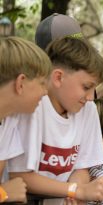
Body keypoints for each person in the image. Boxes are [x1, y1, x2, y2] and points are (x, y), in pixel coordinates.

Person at [7, 37, 103, 204]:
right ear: (58, 77)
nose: (90, 98)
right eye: (87, 87)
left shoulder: (88, 109)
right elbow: (20, 177)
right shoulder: (31, 105)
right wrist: (76, 190)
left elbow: (83, 166)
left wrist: (76, 190)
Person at [35, 13, 103, 99]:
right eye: (72, 47)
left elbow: (95, 103)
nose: (80, 52)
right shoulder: (39, 92)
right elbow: (95, 104)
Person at [0, 37, 52, 203]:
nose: (45, 92)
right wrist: (3, 194)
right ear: (20, 83)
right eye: (42, 83)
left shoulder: (9, 119)